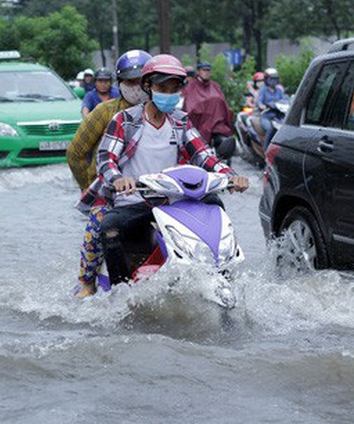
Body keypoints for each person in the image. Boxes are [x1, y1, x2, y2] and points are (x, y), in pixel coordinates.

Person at [79, 54, 249, 287]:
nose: (168, 94)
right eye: (162, 87)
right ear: (147, 86)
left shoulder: (181, 121)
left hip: (174, 201)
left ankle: (224, 278)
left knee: (215, 205)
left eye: (174, 89)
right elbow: (106, 158)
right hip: (135, 201)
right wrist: (118, 179)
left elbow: (203, 155)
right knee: (109, 229)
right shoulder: (124, 120)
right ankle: (120, 293)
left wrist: (230, 175)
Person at [67, 49, 152, 297]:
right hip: (112, 192)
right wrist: (89, 185)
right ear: (120, 83)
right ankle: (87, 284)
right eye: (130, 81)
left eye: (141, 81)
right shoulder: (105, 112)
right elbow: (75, 153)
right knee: (97, 227)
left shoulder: (165, 114)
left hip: (154, 190)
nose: (136, 87)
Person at [181, 60, 236, 161]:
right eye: (203, 70)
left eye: (208, 70)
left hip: (217, 126)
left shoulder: (215, 86)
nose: (206, 72)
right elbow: (190, 106)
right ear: (199, 71)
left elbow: (223, 103)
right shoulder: (191, 86)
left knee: (226, 144)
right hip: (199, 125)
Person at [255, 68, 288, 150]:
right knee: (270, 128)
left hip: (279, 116)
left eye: (276, 79)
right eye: (272, 79)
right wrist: (262, 105)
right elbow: (259, 102)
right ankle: (266, 149)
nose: (274, 81)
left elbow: (285, 100)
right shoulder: (263, 91)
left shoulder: (279, 91)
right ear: (266, 79)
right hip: (266, 116)